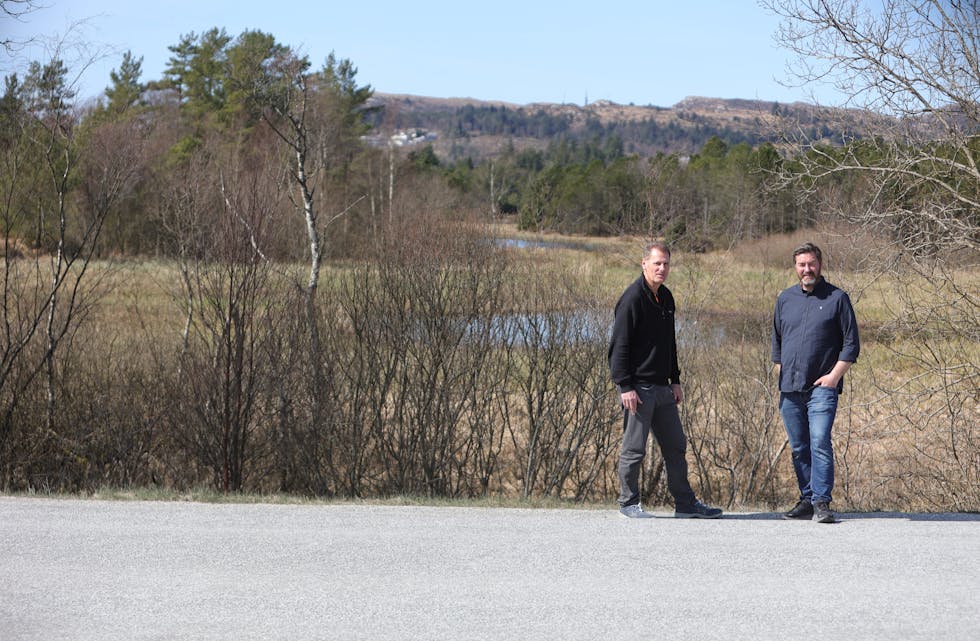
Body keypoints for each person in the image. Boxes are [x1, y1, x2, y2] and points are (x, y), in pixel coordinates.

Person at [608, 241, 722, 519]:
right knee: (634, 449)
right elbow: (618, 346)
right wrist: (625, 386)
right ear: (644, 264)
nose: (661, 268)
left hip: (663, 388)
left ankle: (685, 504)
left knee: (676, 446)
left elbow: (669, 343)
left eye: (666, 264)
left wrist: (675, 380)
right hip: (638, 389)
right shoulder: (632, 299)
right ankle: (628, 503)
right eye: (656, 263)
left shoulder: (666, 297)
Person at [772, 242, 860, 524]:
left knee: (819, 441)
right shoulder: (785, 299)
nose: (807, 269)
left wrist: (833, 377)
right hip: (790, 389)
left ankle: (822, 502)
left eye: (811, 264)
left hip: (822, 388)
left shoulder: (837, 298)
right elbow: (777, 341)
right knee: (799, 447)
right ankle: (807, 499)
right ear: (795, 267)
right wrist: (781, 370)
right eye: (802, 265)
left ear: (820, 264)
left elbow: (851, 345)